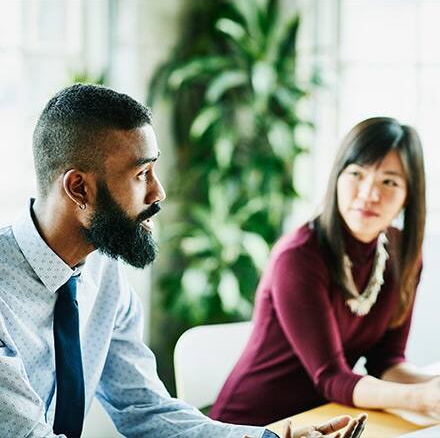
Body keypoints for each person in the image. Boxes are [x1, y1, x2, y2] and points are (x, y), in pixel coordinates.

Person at [0, 84, 366, 438]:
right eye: (141, 174)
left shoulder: (102, 269)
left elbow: (145, 408)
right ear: (79, 188)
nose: (158, 192)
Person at [211, 117, 440, 426]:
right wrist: (421, 398)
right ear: (337, 178)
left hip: (324, 422)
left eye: (390, 181)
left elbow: (387, 361)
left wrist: (431, 385)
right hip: (254, 424)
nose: (370, 194)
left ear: (409, 195)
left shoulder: (402, 254)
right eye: (357, 174)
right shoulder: (299, 257)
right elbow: (331, 377)